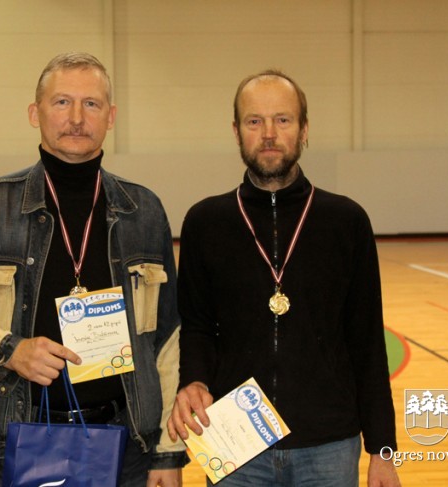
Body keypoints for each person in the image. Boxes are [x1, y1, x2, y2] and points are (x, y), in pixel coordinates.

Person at [0, 52, 186, 486]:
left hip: (127, 449)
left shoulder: (144, 212)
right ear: (34, 112)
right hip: (17, 444)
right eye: (62, 102)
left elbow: (168, 340)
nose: (76, 118)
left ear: (111, 116)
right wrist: (9, 350)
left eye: (91, 104)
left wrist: (168, 453)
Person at [167, 69, 401, 486]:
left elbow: (366, 340)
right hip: (234, 444)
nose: (269, 133)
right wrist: (195, 380)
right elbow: (197, 326)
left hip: (329, 445)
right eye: (254, 121)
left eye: (283, 119)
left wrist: (382, 449)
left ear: (304, 129)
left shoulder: (345, 221)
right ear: (236, 132)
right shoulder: (206, 222)